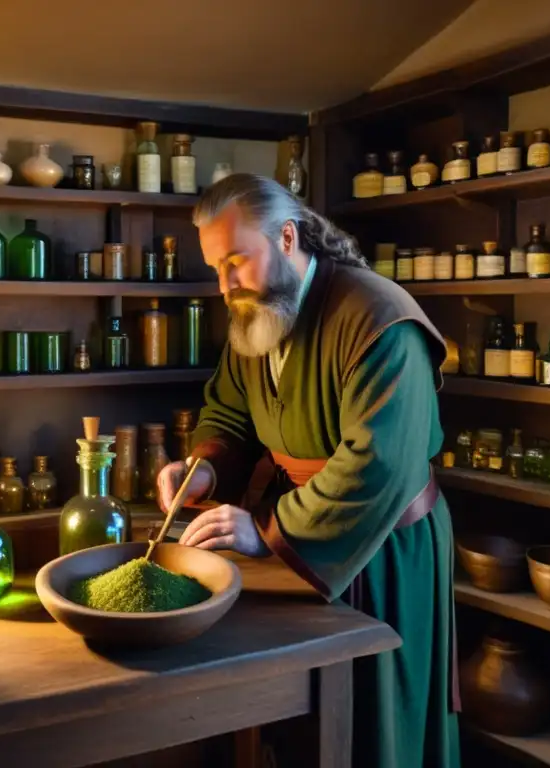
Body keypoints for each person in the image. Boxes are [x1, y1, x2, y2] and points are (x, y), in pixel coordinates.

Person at [156, 174, 460, 768]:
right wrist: (205, 472)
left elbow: (378, 466)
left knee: (377, 722)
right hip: (300, 533)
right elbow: (229, 412)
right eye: (217, 267)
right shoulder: (258, 308)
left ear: (288, 236)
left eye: (236, 260)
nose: (225, 285)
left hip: (382, 545)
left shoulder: (379, 317)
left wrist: (265, 531)